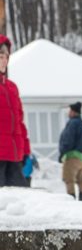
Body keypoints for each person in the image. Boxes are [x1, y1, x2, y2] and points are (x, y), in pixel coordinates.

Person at [0, 35, 30, 187]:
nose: (4, 61)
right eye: (0, 56)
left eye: (6, 56)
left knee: (19, 203)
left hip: (14, 156)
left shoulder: (12, 87)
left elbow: (19, 121)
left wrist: (25, 150)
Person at [58, 101, 82, 200]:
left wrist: (62, 153)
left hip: (73, 156)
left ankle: (72, 202)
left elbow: (68, 139)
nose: (69, 113)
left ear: (73, 112)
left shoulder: (72, 124)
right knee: (80, 179)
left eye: (70, 111)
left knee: (69, 179)